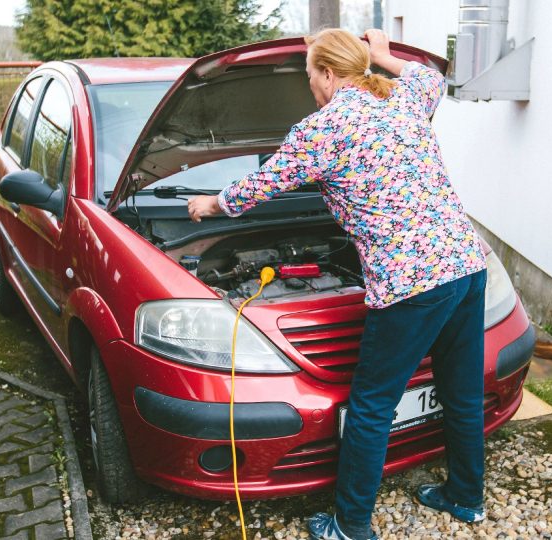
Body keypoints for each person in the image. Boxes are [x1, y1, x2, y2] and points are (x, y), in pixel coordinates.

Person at [188, 28, 489, 540]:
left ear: (328, 74)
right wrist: (385, 57)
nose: (310, 87)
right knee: (461, 392)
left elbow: (266, 182)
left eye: (310, 77)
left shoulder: (324, 127)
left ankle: (350, 526)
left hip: (410, 282)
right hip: (466, 262)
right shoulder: (400, 98)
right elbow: (432, 79)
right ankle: (466, 498)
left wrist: (211, 204)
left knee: (371, 406)